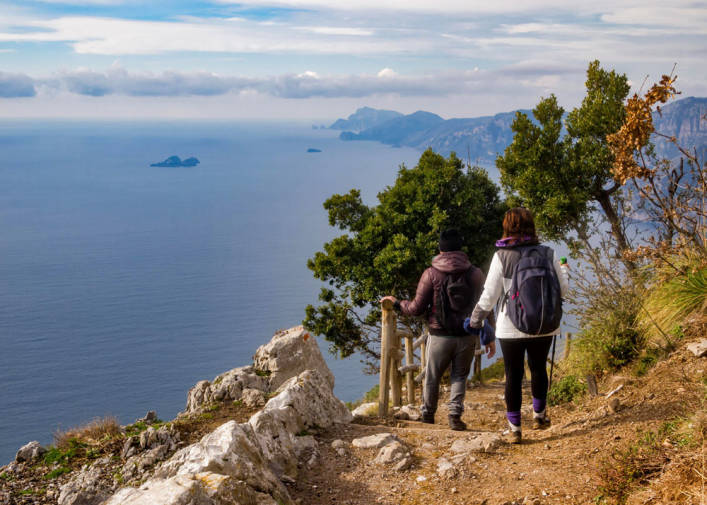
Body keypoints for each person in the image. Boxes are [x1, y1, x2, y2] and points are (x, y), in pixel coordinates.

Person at [466, 208, 569, 443]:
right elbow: (564, 290)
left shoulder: (502, 256)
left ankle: (515, 429)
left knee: (513, 375)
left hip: (510, 327)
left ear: (506, 228)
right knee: (539, 368)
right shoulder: (548, 252)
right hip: (545, 324)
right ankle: (539, 416)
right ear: (532, 226)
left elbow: (489, 295)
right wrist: (564, 271)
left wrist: (476, 319)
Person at [381, 228, 495, 431]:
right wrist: (490, 335)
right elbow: (486, 305)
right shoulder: (475, 273)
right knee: (460, 376)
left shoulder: (431, 273)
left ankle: (428, 415)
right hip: (467, 335)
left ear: (440, 248)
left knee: (432, 376)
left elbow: (416, 308)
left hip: (439, 334)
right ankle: (454, 415)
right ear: (460, 248)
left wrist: (398, 303)